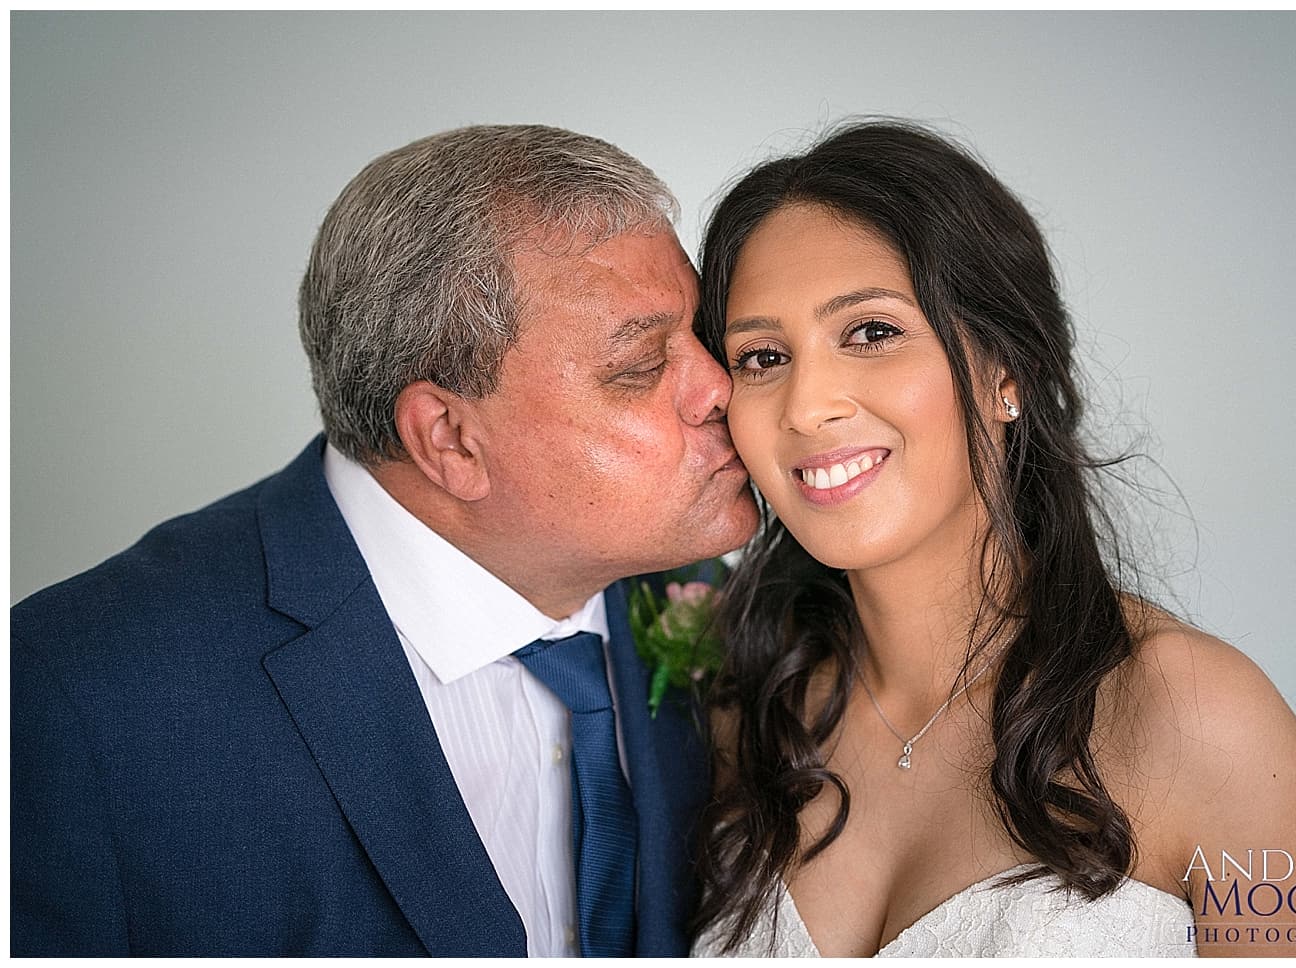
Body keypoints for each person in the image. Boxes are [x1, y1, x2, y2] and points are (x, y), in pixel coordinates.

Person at [11, 124, 759, 956]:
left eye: (702, 331)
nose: (722, 387)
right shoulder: (76, 697)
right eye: (640, 366)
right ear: (449, 438)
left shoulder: (729, 605)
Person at [688, 121, 1296, 957]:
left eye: (873, 332)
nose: (807, 406)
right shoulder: (745, 721)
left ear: (1007, 372)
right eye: (763, 356)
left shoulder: (1202, 719)